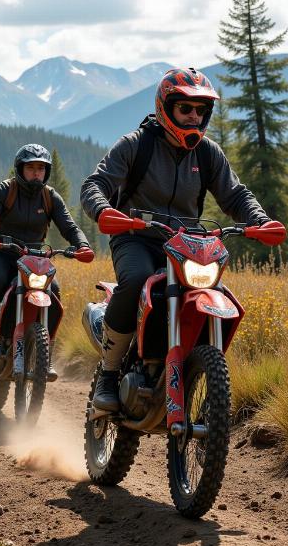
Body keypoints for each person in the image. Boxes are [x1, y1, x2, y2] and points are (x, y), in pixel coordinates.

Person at [80, 67, 275, 412]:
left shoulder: (207, 153)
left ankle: (195, 365)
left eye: (200, 110)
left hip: (185, 242)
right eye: (185, 109)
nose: (194, 117)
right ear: (166, 108)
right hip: (135, 236)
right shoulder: (135, 145)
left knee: (211, 291)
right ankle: (110, 374)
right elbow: (95, 185)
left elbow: (235, 195)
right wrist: (103, 210)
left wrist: (259, 221)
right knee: (139, 279)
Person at [0, 143, 94, 381]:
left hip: (35, 257)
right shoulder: (5, 190)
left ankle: (44, 356)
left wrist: (83, 245)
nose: (36, 173)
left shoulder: (50, 197)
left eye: (41, 168)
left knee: (55, 290)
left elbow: (69, 226)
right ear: (20, 169)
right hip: (2, 252)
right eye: (31, 168)